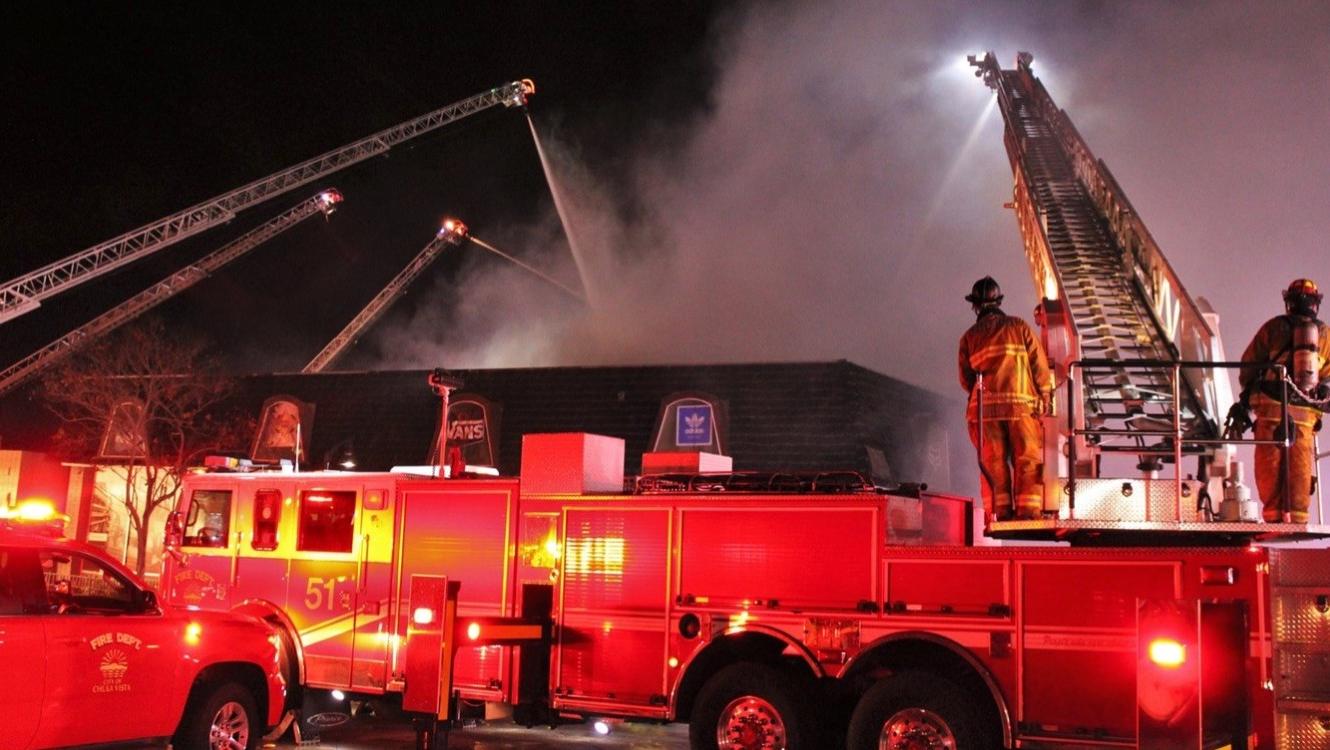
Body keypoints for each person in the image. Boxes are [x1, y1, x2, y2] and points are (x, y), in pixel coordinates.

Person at [958, 277, 1055, 522]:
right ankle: (1028, 511)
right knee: (1027, 458)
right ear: (999, 301)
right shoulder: (1019, 327)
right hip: (1020, 408)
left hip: (985, 413)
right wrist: (1045, 395)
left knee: (993, 462)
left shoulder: (969, 337)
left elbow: (966, 380)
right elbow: (1039, 366)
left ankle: (999, 512)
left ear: (975, 306)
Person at [1237, 278, 1330, 523]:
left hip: (1270, 410)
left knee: (1269, 467)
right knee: (1300, 469)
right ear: (1315, 303)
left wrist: (1247, 396)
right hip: (1305, 416)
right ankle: (1297, 520)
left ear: (1288, 301)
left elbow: (1248, 367)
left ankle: (1274, 517)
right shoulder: (1325, 334)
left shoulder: (1273, 328)